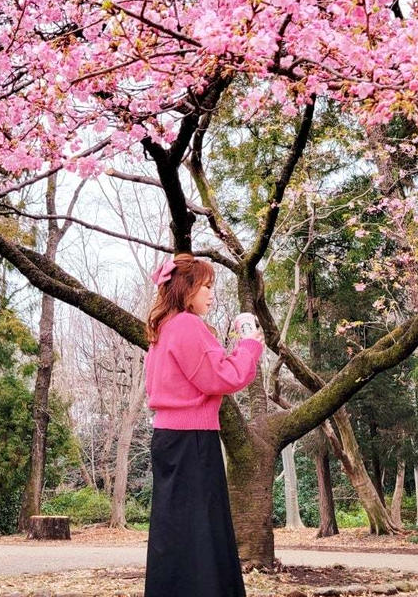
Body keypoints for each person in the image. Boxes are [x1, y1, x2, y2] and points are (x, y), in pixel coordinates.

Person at [143, 253, 265, 597]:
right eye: (206, 286)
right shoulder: (185, 324)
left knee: (175, 530)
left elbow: (201, 373)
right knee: (202, 530)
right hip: (192, 439)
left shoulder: (163, 328)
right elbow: (220, 377)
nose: (212, 294)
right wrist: (250, 347)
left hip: (168, 438)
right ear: (186, 289)